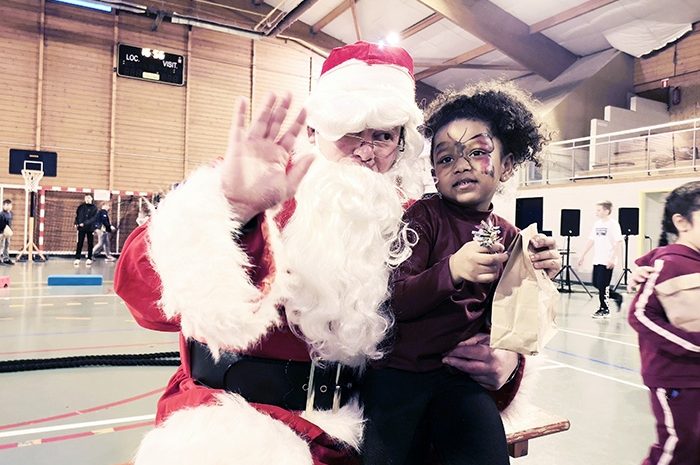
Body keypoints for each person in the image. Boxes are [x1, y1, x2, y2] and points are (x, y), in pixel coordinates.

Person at [114, 42, 557, 465]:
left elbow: (460, 317)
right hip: (239, 424)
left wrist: (506, 363)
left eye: (382, 136)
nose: (365, 150)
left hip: (367, 432)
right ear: (314, 131)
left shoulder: (416, 220)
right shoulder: (259, 186)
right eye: (349, 132)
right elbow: (140, 294)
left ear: (401, 145)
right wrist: (234, 209)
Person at [361, 82, 559, 465]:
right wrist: (451, 269)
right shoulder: (422, 217)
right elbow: (394, 299)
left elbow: (512, 318)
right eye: (446, 158)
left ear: (508, 165)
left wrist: (537, 274)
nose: (462, 164)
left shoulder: (510, 234)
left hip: (460, 381)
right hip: (399, 378)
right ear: (433, 172)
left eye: (478, 152)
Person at [627, 180, 700, 465]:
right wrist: (693, 346)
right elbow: (641, 314)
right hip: (675, 375)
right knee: (679, 445)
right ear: (681, 222)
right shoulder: (668, 263)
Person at [577, 200, 624, 318]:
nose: (596, 212)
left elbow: (618, 242)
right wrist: (582, 255)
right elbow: (591, 240)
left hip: (608, 259)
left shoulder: (613, 224)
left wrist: (613, 258)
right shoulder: (597, 224)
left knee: (603, 285)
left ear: (606, 211)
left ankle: (604, 309)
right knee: (596, 283)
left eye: (599, 210)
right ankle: (617, 297)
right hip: (597, 258)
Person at [74, 194, 99, 266]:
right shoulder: (81, 207)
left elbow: (93, 218)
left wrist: (84, 223)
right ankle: (77, 258)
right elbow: (77, 216)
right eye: (86, 198)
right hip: (81, 228)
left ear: (91, 199)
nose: (87, 199)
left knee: (90, 243)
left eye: (89, 198)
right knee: (80, 243)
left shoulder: (94, 208)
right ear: (84, 199)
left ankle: (89, 258)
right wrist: (76, 222)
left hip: (90, 228)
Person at [0, 199, 14, 265]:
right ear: (3, 206)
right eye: (6, 205)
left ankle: (6, 258)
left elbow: (10, 223)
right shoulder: (1, 214)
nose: (8, 206)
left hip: (8, 233)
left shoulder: (11, 214)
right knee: (1, 245)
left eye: (9, 205)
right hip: (2, 232)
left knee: (7, 245)